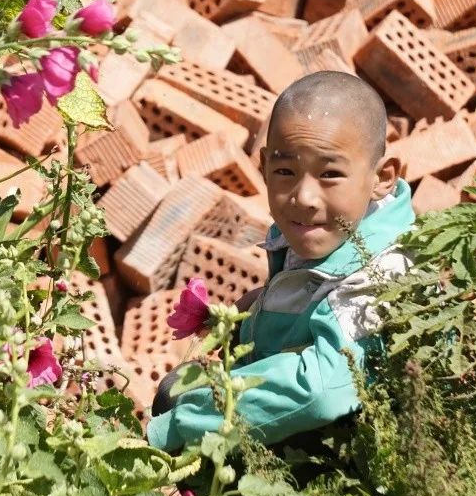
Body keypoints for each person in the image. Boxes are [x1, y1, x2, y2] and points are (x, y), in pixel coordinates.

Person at [146, 71, 416, 453]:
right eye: (285, 171)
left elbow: (320, 391)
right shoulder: (331, 228)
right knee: (174, 389)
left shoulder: (384, 274)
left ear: (383, 177)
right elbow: (314, 293)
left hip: (350, 459)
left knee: (175, 404)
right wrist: (256, 307)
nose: (304, 196)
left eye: (330, 174)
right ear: (265, 165)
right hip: (294, 406)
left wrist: (176, 429)